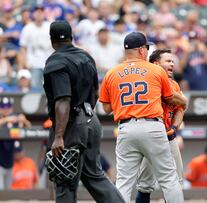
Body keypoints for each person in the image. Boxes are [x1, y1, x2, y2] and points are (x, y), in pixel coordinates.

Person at [99, 31, 187, 203]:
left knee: (124, 182)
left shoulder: (111, 73)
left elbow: (106, 108)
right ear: (140, 50)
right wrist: (183, 100)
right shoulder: (155, 70)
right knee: (169, 178)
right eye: (146, 48)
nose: (147, 51)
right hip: (152, 126)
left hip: (125, 127)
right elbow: (170, 97)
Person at [43, 20, 124, 203]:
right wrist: (86, 117)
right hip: (91, 119)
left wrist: (59, 136)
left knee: (64, 179)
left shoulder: (56, 61)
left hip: (71, 124)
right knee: (94, 175)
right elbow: (96, 93)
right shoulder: (86, 57)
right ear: (71, 37)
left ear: (51, 39)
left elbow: (63, 100)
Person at [135, 49, 186, 203]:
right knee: (145, 184)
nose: (172, 63)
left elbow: (180, 109)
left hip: (169, 137)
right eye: (168, 61)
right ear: (156, 63)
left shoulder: (175, 85)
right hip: (152, 135)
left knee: (176, 182)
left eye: (172, 61)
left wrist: (175, 127)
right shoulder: (149, 82)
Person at [0, 97, 32, 190]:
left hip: (10, 161)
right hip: (0, 162)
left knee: (8, 191)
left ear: (11, 107)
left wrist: (23, 120)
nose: (6, 109)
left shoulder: (15, 118)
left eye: (8, 106)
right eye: (3, 106)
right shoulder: (4, 119)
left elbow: (29, 127)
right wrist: (6, 120)